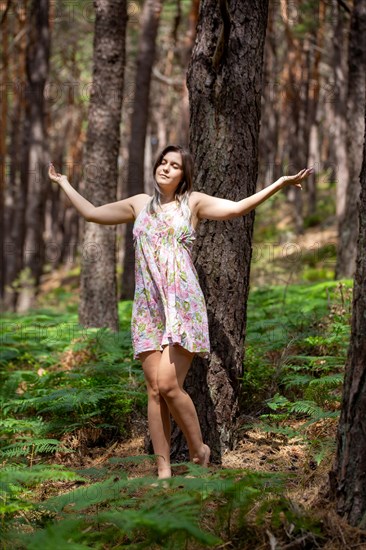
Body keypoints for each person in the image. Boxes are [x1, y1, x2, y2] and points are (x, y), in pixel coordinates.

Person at [49, 144, 313, 479]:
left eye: (174, 166)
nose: (166, 168)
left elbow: (236, 209)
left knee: (169, 385)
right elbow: (92, 213)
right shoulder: (139, 204)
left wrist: (279, 183)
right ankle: (163, 471)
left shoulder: (193, 203)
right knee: (154, 391)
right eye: (162, 162)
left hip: (183, 303)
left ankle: (199, 448)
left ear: (184, 174)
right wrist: (63, 183)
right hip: (148, 305)